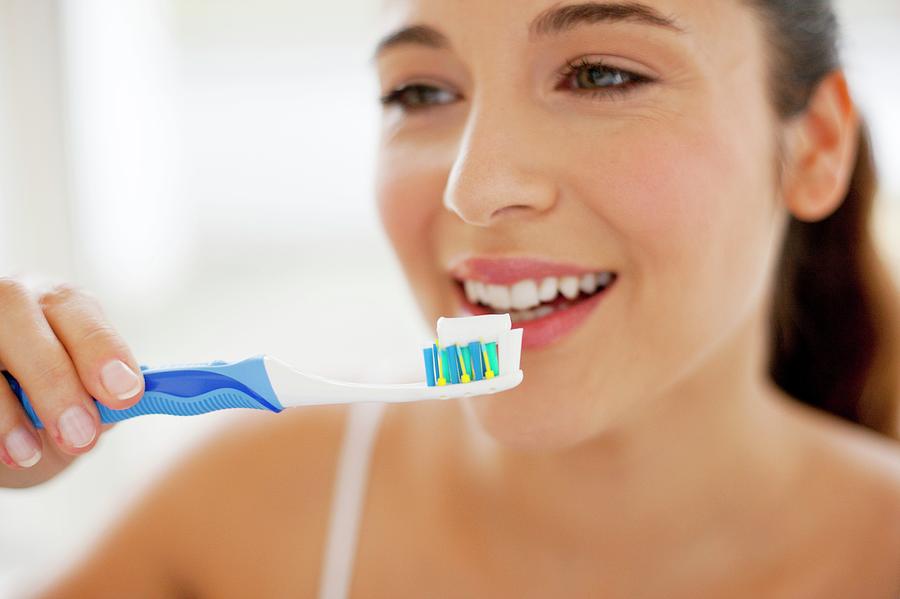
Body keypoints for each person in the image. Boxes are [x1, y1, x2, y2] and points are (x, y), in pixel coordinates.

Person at [2, 0, 900, 596]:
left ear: (816, 147)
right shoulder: (246, 514)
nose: (474, 187)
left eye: (602, 75)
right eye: (421, 91)